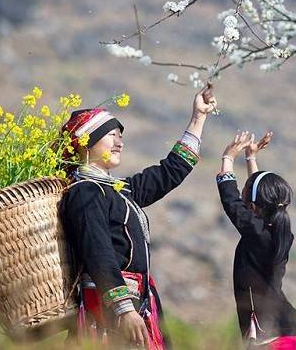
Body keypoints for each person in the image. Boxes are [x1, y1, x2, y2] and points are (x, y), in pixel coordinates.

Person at [60, 85, 217, 348]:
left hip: (136, 304)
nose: (120, 142)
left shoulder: (118, 190)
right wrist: (124, 310)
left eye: (120, 136)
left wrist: (198, 117)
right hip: (109, 310)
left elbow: (169, 172)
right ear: (85, 142)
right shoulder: (85, 193)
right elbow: (98, 253)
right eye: (111, 135)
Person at [215, 131, 296, 350]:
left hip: (269, 335)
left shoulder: (257, 233)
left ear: (253, 208)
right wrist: (251, 157)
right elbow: (255, 197)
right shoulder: (281, 233)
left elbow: (231, 201)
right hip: (290, 330)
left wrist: (228, 158)